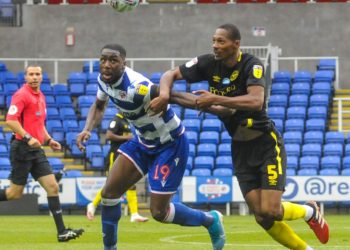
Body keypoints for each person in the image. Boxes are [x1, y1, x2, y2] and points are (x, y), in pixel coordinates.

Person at [149, 23, 330, 249]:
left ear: (236, 44)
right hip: (240, 148)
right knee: (261, 216)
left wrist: (214, 98)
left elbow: (256, 101)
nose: (215, 46)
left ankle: (310, 211)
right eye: (214, 40)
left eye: (221, 41)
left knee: (271, 210)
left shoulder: (252, 65)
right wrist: (165, 95)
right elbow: (170, 74)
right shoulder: (207, 63)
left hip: (265, 144)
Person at [76, 44, 226, 250]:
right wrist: (87, 128)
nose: (107, 65)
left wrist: (215, 107)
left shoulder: (137, 87)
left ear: (123, 64)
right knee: (109, 195)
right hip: (142, 142)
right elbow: (99, 105)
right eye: (103, 60)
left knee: (159, 213)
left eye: (113, 60)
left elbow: (174, 96)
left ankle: (210, 220)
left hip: (170, 144)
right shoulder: (103, 80)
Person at [0, 66, 84, 242]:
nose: (34, 77)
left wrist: (49, 139)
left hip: (36, 150)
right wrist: (29, 137)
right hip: (22, 148)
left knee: (52, 186)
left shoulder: (42, 97)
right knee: (14, 194)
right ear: (25, 77)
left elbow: (39, 124)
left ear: (41, 77)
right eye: (31, 74)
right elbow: (10, 120)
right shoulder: (21, 95)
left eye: (37, 74)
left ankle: (62, 232)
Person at [86, 112, 149, 223]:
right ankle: (93, 204)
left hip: (125, 156)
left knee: (130, 184)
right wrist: (126, 138)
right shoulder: (117, 120)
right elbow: (109, 135)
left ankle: (134, 214)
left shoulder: (127, 121)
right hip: (114, 156)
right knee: (111, 185)